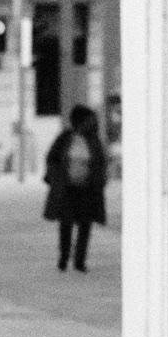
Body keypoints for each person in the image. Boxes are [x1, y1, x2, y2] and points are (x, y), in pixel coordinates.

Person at [44, 103, 108, 272]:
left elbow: (100, 162)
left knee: (85, 225)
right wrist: (55, 177)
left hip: (87, 188)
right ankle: (64, 257)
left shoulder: (93, 140)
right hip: (67, 188)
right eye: (88, 120)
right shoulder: (65, 138)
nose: (91, 123)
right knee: (66, 224)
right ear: (80, 121)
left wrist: (99, 180)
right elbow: (52, 158)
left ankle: (80, 261)